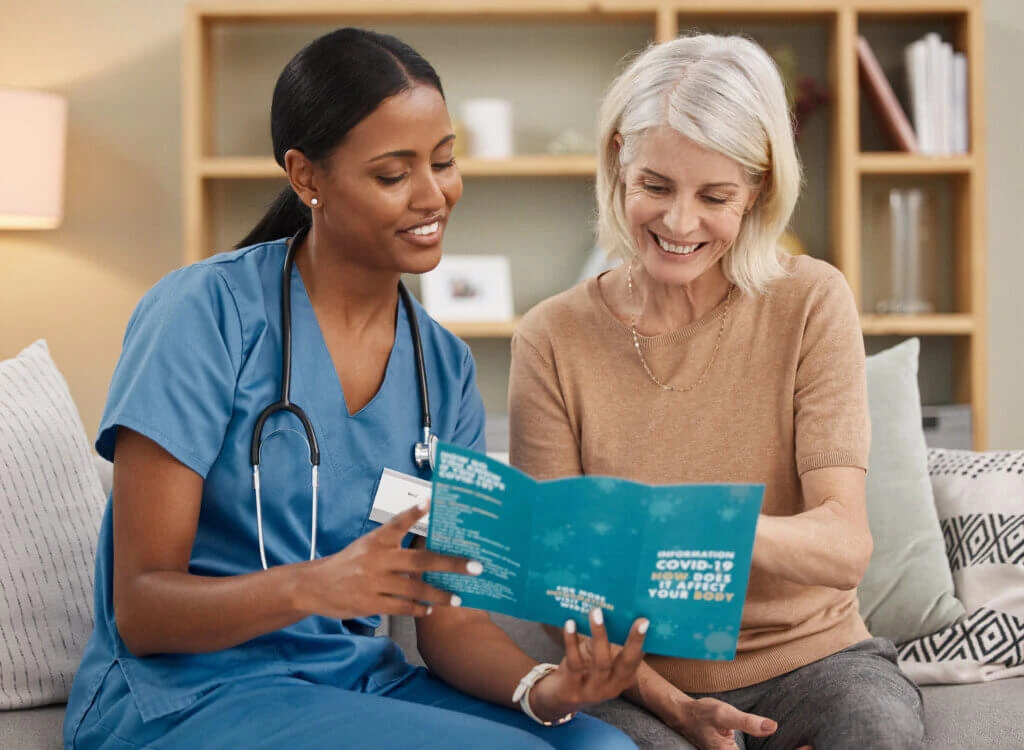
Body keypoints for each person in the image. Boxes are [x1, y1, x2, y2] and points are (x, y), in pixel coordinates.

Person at [63, 28, 648, 750]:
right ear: (306, 177)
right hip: (187, 693)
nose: (434, 195)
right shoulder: (203, 315)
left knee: (602, 746)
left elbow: (451, 619)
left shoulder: (443, 368)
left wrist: (547, 688)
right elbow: (142, 610)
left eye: (444, 161)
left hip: (348, 684)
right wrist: (315, 586)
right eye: (394, 174)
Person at [508, 33, 926, 750]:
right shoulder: (550, 337)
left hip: (816, 663)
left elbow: (843, 547)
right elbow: (559, 591)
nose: (678, 223)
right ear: (618, 161)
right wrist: (672, 704)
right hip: (641, 685)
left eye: (715, 196)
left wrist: (694, 531)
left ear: (757, 188)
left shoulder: (811, 300)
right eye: (655, 186)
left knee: (877, 734)